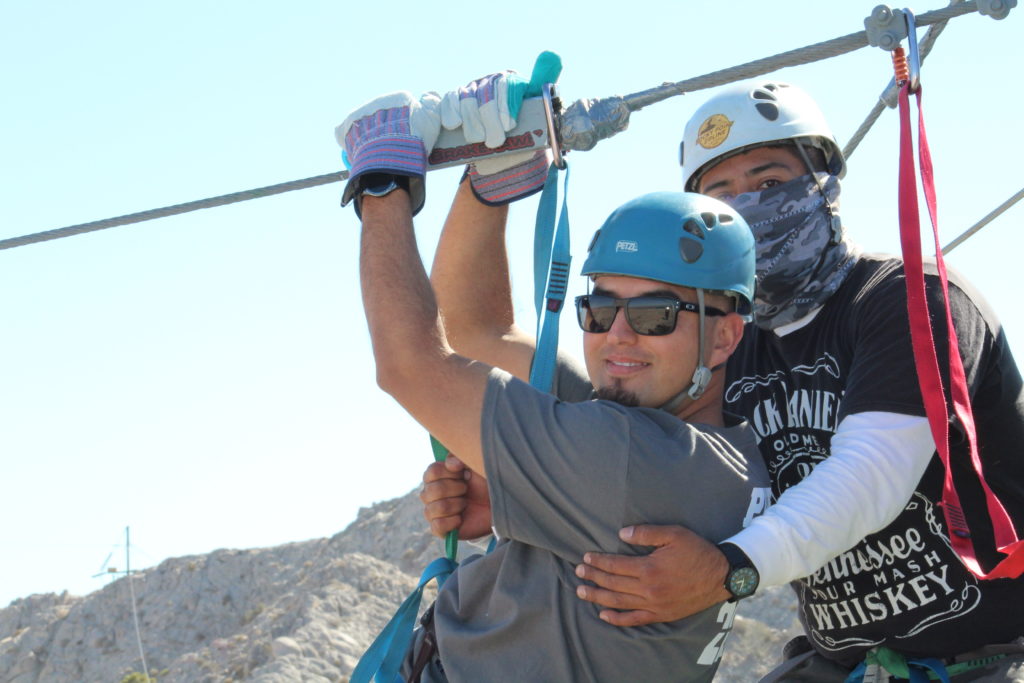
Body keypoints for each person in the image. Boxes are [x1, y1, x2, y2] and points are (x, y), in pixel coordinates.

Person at [553, 81, 1024, 680]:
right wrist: (501, 484)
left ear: (824, 181)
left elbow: (869, 476)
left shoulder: (911, 300)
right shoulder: (725, 342)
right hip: (840, 663)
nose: (749, 207)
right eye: (722, 196)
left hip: (990, 657)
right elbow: (637, 445)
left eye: (770, 183)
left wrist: (730, 571)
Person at [340, 66, 772, 681]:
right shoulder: (710, 448)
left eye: (654, 314)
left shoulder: (624, 456)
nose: (617, 336)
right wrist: (491, 180)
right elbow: (477, 330)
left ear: (725, 334)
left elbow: (410, 367)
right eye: (598, 311)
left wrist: (381, 183)